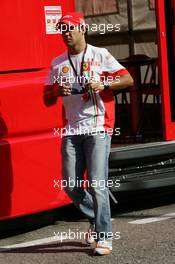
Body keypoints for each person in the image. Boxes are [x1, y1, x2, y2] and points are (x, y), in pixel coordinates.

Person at [44, 12, 133, 255]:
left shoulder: (100, 54)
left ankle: (104, 238)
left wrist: (104, 84)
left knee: (97, 183)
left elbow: (127, 79)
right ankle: (95, 218)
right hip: (72, 129)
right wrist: (55, 91)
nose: (66, 33)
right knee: (71, 185)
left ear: (82, 29)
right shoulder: (57, 62)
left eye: (70, 28)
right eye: (62, 29)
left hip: (98, 128)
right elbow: (46, 100)